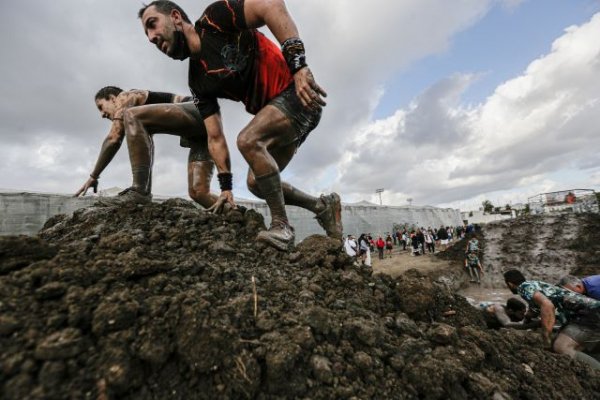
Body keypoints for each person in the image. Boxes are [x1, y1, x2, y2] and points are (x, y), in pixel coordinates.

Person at [138, 0, 341, 251]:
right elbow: (214, 136)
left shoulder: (215, 20)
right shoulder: (198, 82)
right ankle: (322, 207)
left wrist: (298, 64)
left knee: (248, 140)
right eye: (146, 33)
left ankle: (281, 226)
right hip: (281, 116)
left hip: (300, 94)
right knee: (257, 183)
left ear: (176, 17)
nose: (150, 37)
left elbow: (270, 4)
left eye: (152, 24)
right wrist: (225, 189)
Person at [75, 86, 222, 209]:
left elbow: (114, 138)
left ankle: (139, 192)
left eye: (101, 107)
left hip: (200, 110)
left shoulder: (124, 96)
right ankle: (233, 212)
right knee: (199, 193)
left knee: (131, 115)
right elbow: (144, 146)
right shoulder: (143, 120)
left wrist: (93, 176)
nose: (101, 114)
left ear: (113, 98)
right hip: (203, 130)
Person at [504, 269, 600, 370]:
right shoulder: (534, 286)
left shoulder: (524, 287)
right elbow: (534, 313)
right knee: (575, 349)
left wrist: (546, 337)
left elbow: (547, 305)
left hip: (589, 313)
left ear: (510, 284)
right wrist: (527, 320)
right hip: (590, 312)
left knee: (561, 347)